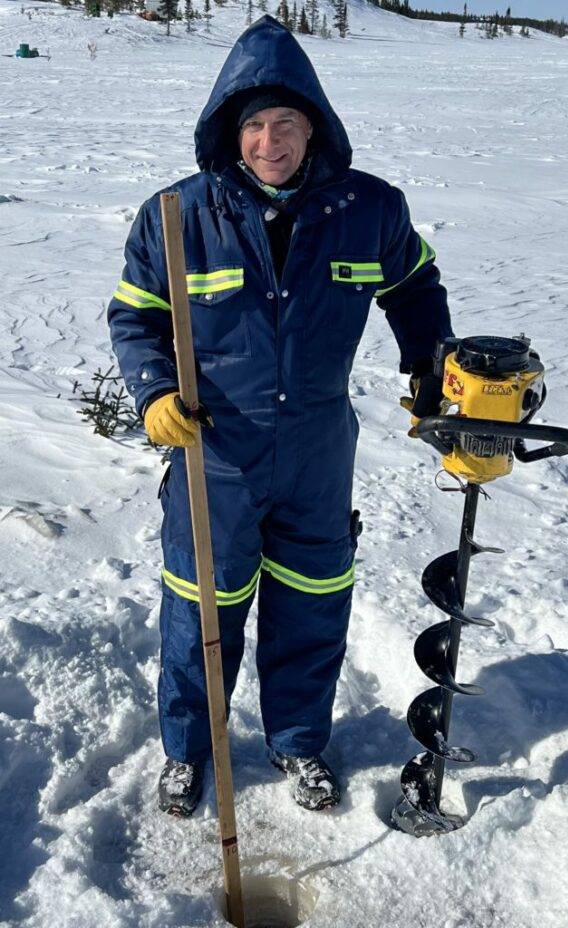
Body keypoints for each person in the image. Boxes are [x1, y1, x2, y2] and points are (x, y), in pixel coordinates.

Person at [107, 15, 453, 817]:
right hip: (214, 453)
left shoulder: (370, 209)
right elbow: (135, 317)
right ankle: (190, 749)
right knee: (201, 610)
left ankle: (298, 741)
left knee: (312, 601)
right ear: (231, 131)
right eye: (255, 125)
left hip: (316, 451)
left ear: (314, 126)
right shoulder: (177, 216)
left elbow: (415, 288)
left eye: (287, 123)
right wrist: (154, 393)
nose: (271, 142)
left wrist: (429, 363)